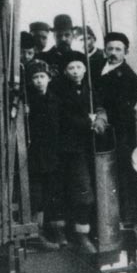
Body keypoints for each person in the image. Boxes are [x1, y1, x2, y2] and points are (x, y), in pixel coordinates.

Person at [93, 31, 137, 258]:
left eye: (118, 49)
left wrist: (102, 113)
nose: (113, 53)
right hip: (100, 132)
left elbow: (121, 112)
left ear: (126, 52)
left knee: (122, 180)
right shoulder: (96, 67)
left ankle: (126, 231)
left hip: (119, 137)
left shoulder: (130, 79)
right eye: (110, 48)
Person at [51, 53, 98, 251]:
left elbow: (100, 106)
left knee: (85, 193)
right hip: (66, 149)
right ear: (65, 71)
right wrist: (89, 121)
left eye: (79, 67)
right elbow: (65, 118)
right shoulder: (58, 90)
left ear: (85, 69)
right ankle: (62, 233)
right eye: (71, 68)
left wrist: (99, 117)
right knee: (63, 191)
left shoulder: (90, 89)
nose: (76, 71)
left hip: (87, 148)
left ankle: (83, 234)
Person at [22, 59, 62, 242]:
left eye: (42, 77)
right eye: (35, 77)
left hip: (53, 153)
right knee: (36, 195)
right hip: (35, 155)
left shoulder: (55, 100)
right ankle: (36, 231)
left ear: (49, 78)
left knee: (51, 193)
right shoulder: (28, 102)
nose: (39, 81)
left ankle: (52, 229)